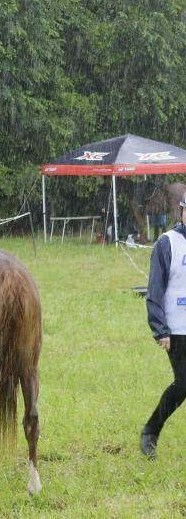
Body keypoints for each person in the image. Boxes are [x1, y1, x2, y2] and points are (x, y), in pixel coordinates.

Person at [141, 192, 186, 459]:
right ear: (181, 212)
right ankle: (150, 431)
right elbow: (154, 290)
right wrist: (160, 329)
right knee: (183, 384)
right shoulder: (167, 243)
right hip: (176, 330)